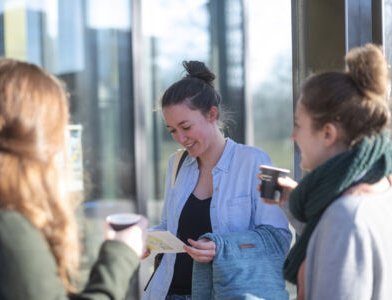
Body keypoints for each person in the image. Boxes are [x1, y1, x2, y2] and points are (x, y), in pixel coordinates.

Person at [0, 58, 148, 300]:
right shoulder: (5, 231)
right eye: (60, 125)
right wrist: (121, 254)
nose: (64, 140)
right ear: (38, 137)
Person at [143, 61, 292, 300]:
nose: (180, 138)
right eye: (172, 130)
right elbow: (168, 228)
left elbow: (280, 239)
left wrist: (222, 247)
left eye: (186, 127)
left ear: (212, 114)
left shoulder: (261, 161)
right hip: (168, 293)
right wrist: (146, 239)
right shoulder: (175, 163)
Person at [261, 43, 392, 299]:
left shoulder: (346, 217)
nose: (293, 135)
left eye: (299, 124)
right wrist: (291, 203)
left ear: (328, 134)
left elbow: (342, 232)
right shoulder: (381, 188)